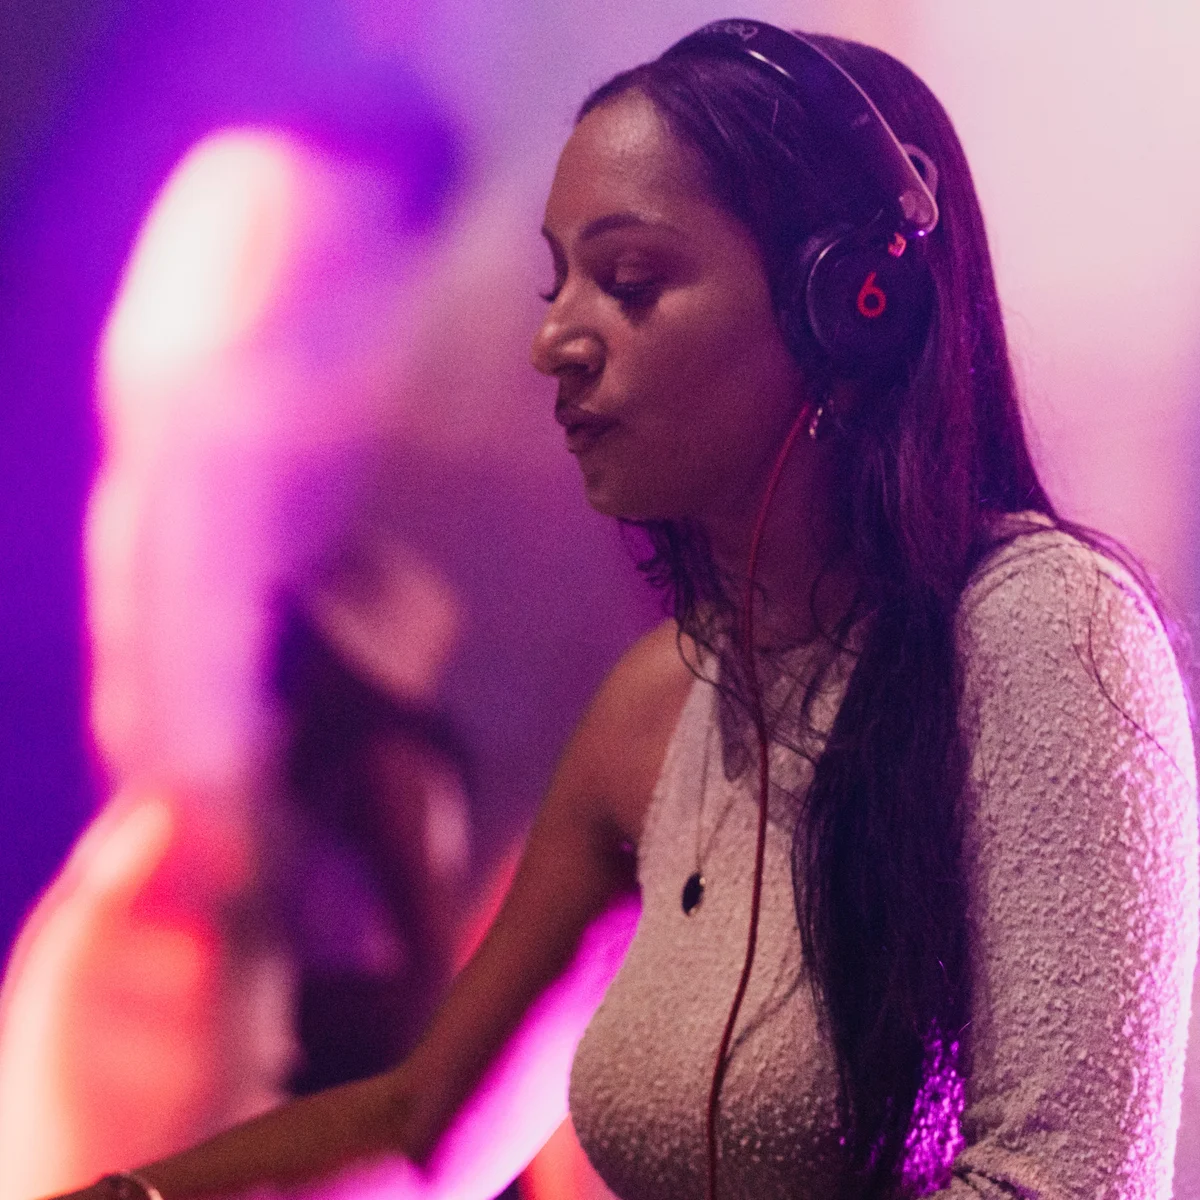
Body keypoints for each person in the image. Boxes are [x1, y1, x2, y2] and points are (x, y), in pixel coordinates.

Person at [49, 18, 1196, 1200]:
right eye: (561, 286)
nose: (556, 342)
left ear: (844, 304)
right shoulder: (660, 705)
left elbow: (1065, 1179)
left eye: (632, 283)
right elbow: (424, 1131)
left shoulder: (1040, 627)